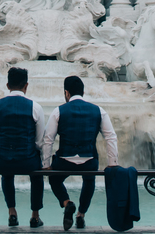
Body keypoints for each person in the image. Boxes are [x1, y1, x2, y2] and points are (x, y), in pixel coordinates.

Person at [42, 75, 119, 230]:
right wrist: (112, 164)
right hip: (89, 160)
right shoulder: (99, 111)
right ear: (83, 92)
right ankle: (81, 215)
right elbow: (110, 137)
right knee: (89, 181)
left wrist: (46, 164)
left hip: (64, 160)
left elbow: (48, 139)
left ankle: (67, 203)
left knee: (54, 179)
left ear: (66, 93)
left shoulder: (58, 111)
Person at [0, 67, 46, 227]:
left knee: (7, 172)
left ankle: (12, 212)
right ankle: (35, 216)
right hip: (28, 160)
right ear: (26, 86)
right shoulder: (36, 107)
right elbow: (40, 143)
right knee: (37, 175)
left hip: (2, 160)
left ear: (7, 85)